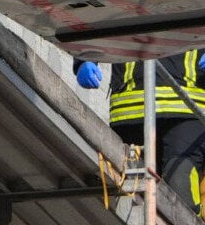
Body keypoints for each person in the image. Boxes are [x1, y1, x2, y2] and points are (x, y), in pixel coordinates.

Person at [76, 53, 205, 211]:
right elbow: (94, 27)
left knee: (180, 180)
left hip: (185, 112)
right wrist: (84, 58)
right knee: (130, 199)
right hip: (129, 113)